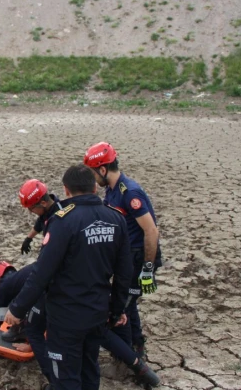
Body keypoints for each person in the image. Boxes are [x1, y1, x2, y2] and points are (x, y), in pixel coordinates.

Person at [4, 164, 142, 390]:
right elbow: (124, 274)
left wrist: (18, 308)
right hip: (98, 312)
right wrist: (116, 311)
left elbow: (42, 272)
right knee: (89, 371)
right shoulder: (116, 219)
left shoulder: (63, 221)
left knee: (65, 379)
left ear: (66, 190)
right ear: (94, 188)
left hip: (66, 318)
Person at [83, 142, 163, 359]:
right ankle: (135, 343)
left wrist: (147, 268)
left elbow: (151, 231)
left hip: (138, 258)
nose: (92, 180)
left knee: (123, 306)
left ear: (102, 169)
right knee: (128, 303)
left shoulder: (130, 193)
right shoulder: (112, 191)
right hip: (126, 257)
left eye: (92, 173)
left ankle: (130, 354)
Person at [0, 261, 54, 386]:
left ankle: (55, 381)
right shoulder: (20, 278)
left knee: (34, 332)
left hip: (44, 292)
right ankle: (25, 332)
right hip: (55, 286)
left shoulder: (4, 287)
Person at [18, 179, 64, 255]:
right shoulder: (48, 209)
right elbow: (40, 221)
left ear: (43, 203)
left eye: (31, 208)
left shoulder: (59, 219)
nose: (30, 211)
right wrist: (29, 238)